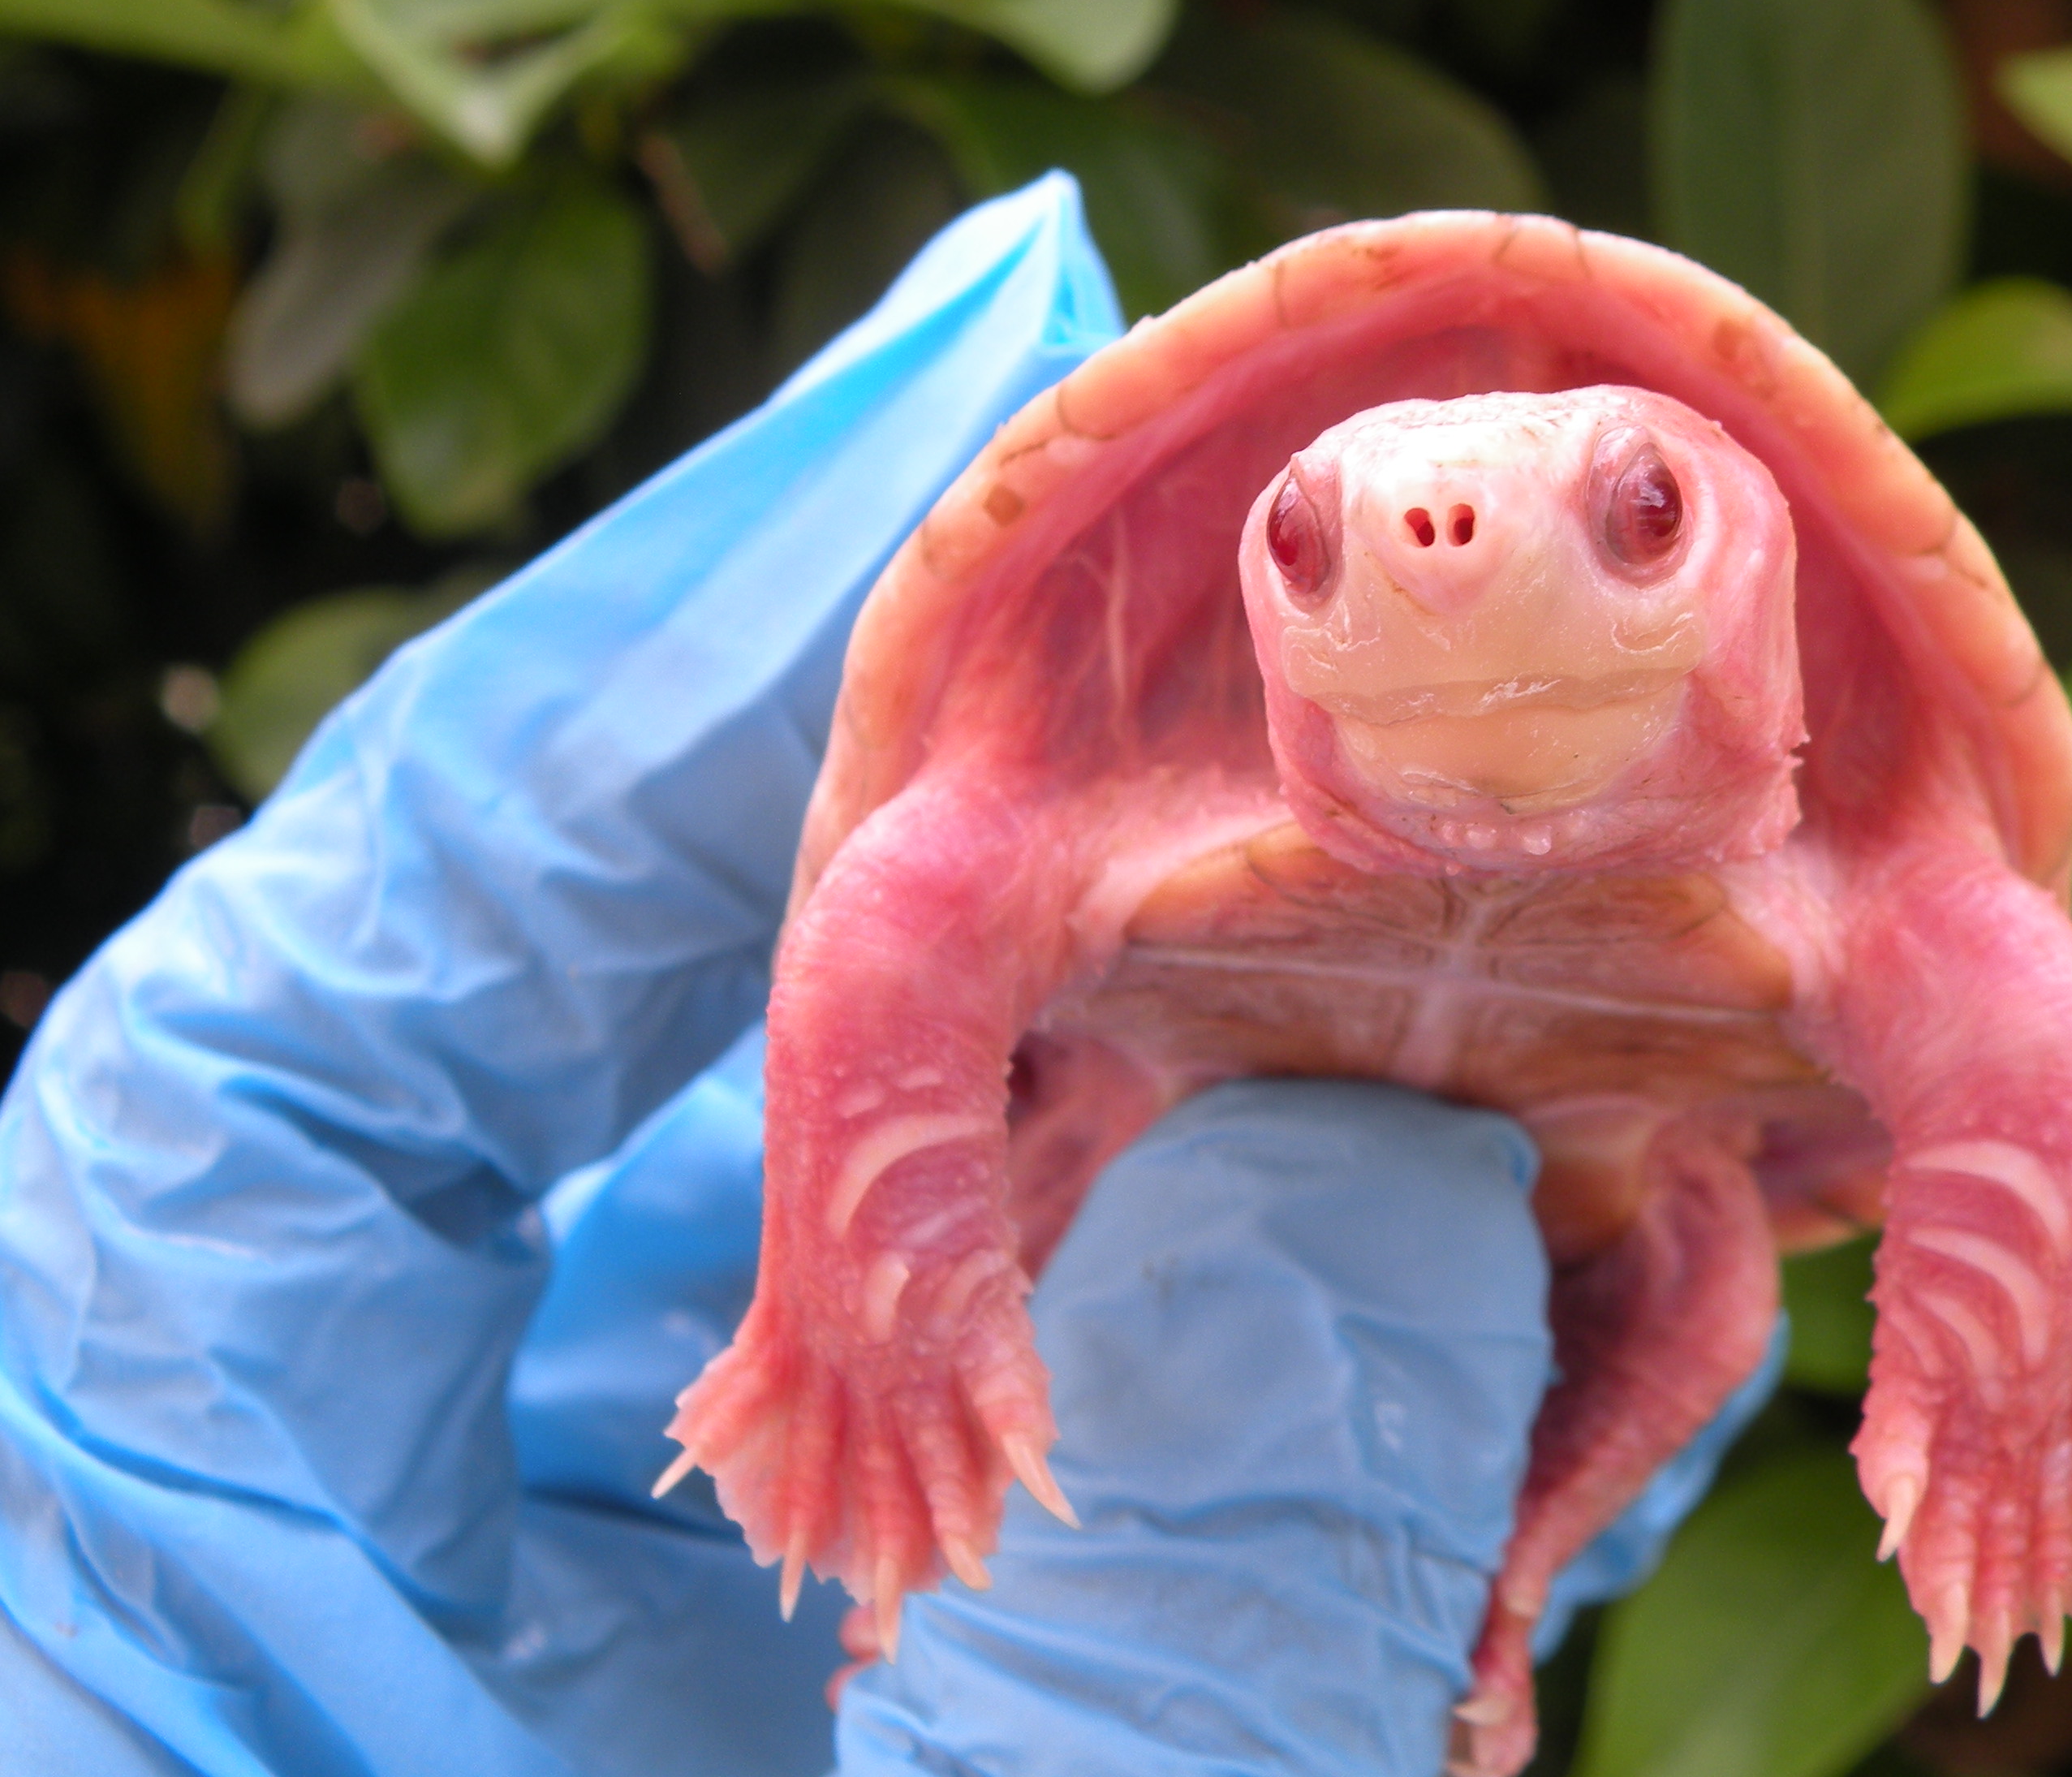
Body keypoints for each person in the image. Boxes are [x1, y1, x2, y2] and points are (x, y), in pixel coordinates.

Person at [0, 179, 1773, 1777]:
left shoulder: (1818, 805)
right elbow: (893, 915)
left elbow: (2004, 1006)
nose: (1452, 556)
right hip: (1159, 1095)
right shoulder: (1110, 802)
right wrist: (843, 1327)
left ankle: (1502, 1584)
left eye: (1631, 515)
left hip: (1580, 1113)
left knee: (1687, 1306)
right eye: (1319, 543)